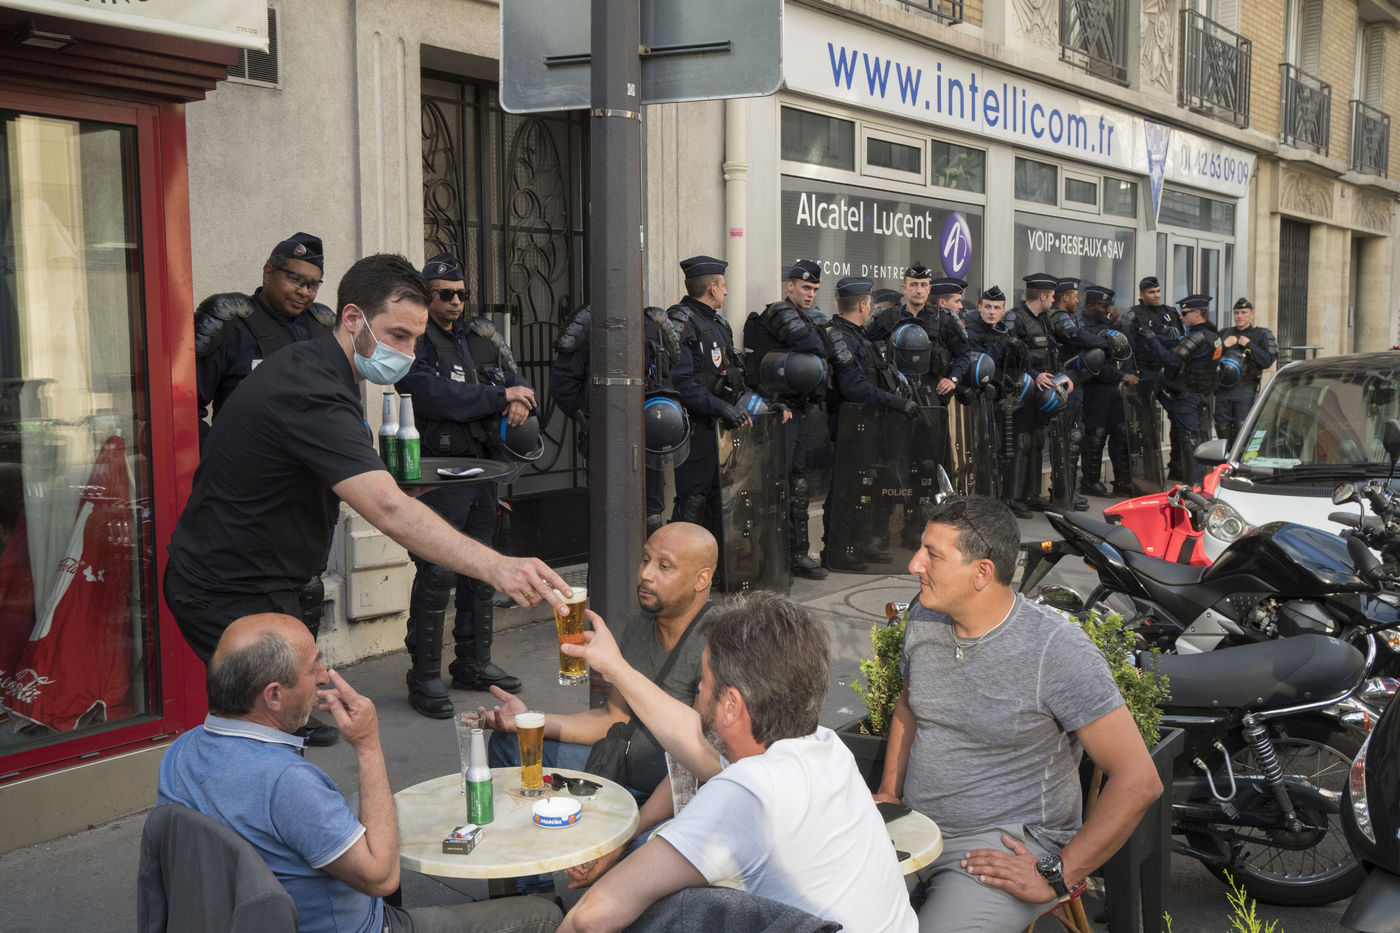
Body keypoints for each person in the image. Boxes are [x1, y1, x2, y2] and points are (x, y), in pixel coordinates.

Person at [163, 253, 571, 719]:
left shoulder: (322, 370)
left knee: (279, 726)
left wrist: (395, 488)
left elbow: (345, 478)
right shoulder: (311, 387)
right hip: (227, 586)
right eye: (398, 335)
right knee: (264, 729)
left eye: (415, 339)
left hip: (261, 581)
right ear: (354, 318)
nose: (409, 353)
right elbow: (387, 508)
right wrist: (499, 567)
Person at [156, 613, 560, 933]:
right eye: (313, 666)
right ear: (273, 696)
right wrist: (367, 745)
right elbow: (382, 879)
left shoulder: (180, 753)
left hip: (233, 915)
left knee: (360, 806)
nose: (324, 675)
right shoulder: (287, 783)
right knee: (544, 916)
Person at [876, 496, 1162, 933]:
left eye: (933, 554)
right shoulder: (924, 617)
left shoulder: (1055, 650)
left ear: (981, 573)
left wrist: (1058, 873)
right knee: (818, 909)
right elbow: (909, 705)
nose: (915, 564)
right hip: (915, 828)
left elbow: (1139, 780)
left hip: (1005, 848)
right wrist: (889, 795)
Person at [556, 591, 918, 933]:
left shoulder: (748, 794)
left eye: (703, 681)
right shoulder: (828, 749)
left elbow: (591, 916)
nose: (698, 690)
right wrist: (616, 667)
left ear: (731, 704)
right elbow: (692, 739)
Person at [394, 252, 535, 718]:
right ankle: (424, 675)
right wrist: (499, 397)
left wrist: (519, 401)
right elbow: (428, 393)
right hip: (439, 473)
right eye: (445, 294)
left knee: (481, 568)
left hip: (483, 468)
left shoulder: (480, 336)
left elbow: (517, 379)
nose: (455, 302)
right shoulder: (416, 338)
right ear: (427, 295)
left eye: (461, 294)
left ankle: (473, 663)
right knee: (437, 572)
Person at [478, 521, 715, 797]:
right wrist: (529, 721)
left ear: (701, 579)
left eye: (664, 566)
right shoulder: (639, 626)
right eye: (645, 560)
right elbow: (612, 718)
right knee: (509, 744)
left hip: (670, 796)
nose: (645, 574)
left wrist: (633, 823)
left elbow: (696, 764)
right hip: (615, 768)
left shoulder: (719, 642)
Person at [193, 232, 335, 451]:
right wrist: (216, 459)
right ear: (268, 273)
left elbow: (343, 404)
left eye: (313, 285)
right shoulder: (230, 322)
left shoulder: (323, 326)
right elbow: (185, 410)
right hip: (245, 466)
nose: (304, 292)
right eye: (295, 280)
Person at [551, 302, 683, 536]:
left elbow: (669, 380)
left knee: (649, 513)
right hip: (607, 438)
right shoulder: (588, 322)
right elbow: (563, 387)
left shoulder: (655, 324)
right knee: (610, 516)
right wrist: (591, 422)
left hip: (649, 440)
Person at [821, 276, 920, 572]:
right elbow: (854, 387)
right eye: (870, 304)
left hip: (870, 427)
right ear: (863, 305)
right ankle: (838, 550)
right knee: (847, 490)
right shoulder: (840, 337)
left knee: (865, 487)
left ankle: (859, 542)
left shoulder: (858, 336)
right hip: (850, 427)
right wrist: (894, 403)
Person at [742, 259, 832, 581]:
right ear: (789, 286)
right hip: (775, 412)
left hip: (796, 408)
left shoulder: (802, 316)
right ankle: (773, 557)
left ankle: (797, 553)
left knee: (797, 483)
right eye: (805, 287)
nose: (810, 294)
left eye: (815, 289)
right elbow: (813, 345)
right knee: (777, 483)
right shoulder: (781, 311)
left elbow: (823, 350)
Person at [668, 256, 754, 536]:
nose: (726, 292)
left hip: (722, 428)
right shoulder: (682, 322)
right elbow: (681, 382)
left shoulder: (718, 323)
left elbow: (732, 375)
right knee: (693, 502)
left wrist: (760, 404)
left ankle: (713, 563)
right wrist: (721, 408)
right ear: (713, 288)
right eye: (723, 286)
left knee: (720, 502)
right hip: (697, 430)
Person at [1004, 273, 1066, 518]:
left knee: (1037, 440)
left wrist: (1063, 377)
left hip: (1044, 391)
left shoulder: (1044, 320)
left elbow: (1053, 353)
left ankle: (1032, 495)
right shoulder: (1015, 318)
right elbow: (1010, 359)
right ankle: (1014, 498)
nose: (1053, 301)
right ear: (1042, 296)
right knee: (1021, 443)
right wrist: (1034, 375)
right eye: (1051, 297)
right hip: (1023, 390)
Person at [1120, 276, 1180, 486]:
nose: (1156, 295)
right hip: (1145, 373)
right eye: (1151, 292)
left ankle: (1178, 468)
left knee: (1179, 419)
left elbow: (1180, 342)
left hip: (1168, 371)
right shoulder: (1133, 315)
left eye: (1158, 291)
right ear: (1141, 294)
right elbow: (1126, 348)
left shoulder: (1170, 313)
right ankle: (1148, 475)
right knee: (1147, 426)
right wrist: (1129, 374)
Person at [1078, 285, 1138, 497]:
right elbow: (1095, 364)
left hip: (1115, 388)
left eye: (1109, 306)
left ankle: (1123, 480)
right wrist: (1121, 375)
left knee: (1121, 432)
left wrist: (1116, 324)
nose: (1108, 310)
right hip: (1096, 387)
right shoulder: (1083, 326)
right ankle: (1090, 481)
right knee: (1096, 435)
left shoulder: (1109, 324)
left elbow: (1128, 346)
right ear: (1091, 305)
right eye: (1104, 306)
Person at [1161, 295, 1223, 482]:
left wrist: (1153, 342)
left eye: (1185, 313)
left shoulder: (1198, 336)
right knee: (1192, 437)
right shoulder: (1214, 336)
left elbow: (1172, 360)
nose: (1181, 317)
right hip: (1200, 395)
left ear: (1197, 313)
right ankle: (1188, 476)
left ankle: (1197, 483)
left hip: (1188, 395)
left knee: (1189, 439)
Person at [1215, 298, 1278, 447]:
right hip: (1223, 390)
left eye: (1244, 312)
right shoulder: (1224, 333)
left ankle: (1239, 459)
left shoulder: (1261, 334)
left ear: (1252, 314)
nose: (1239, 316)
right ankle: (1224, 459)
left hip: (1246, 388)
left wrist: (1249, 345)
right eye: (1236, 313)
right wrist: (1224, 346)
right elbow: (1209, 357)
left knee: (1242, 429)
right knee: (1221, 428)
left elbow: (1267, 361)